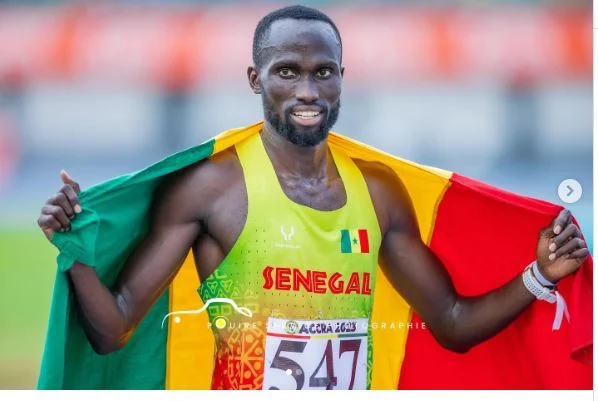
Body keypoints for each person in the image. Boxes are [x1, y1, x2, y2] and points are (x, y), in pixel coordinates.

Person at [36, 5, 589, 390]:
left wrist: (538, 276)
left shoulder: (378, 192)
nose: (307, 91)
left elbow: (450, 322)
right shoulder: (211, 189)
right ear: (255, 79)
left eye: (323, 72)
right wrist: (76, 248)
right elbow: (114, 330)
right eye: (287, 72)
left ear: (342, 77)